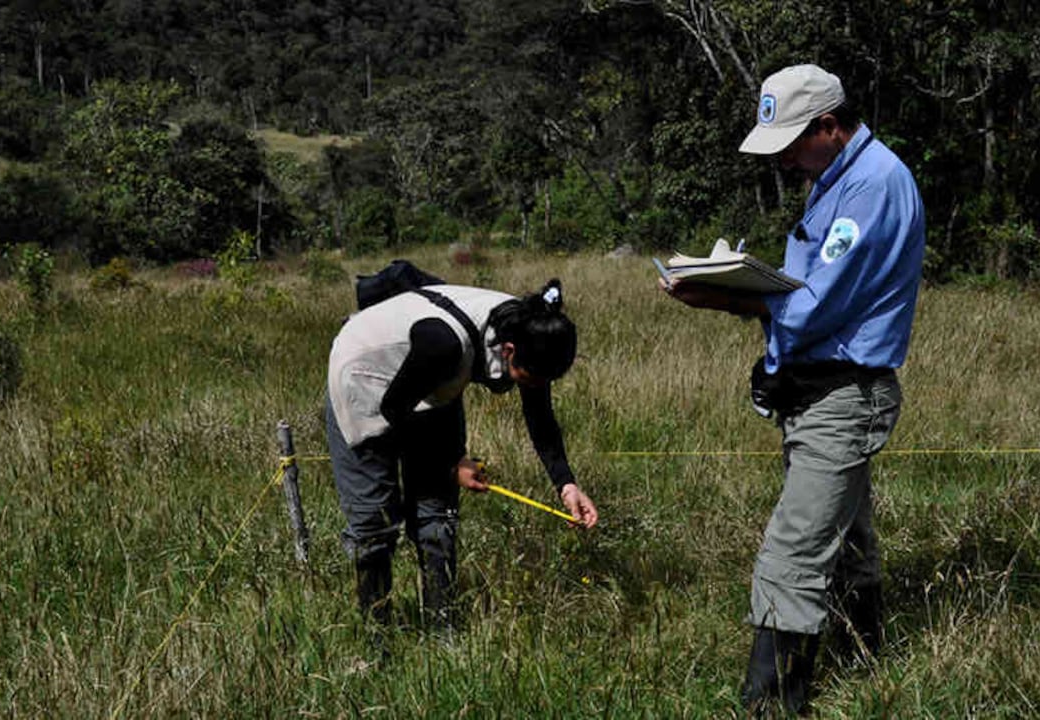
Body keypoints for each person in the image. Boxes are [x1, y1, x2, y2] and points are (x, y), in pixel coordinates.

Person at [661, 64, 925, 714]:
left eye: (790, 146)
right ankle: (865, 657)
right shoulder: (832, 179)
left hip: (844, 396)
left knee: (793, 551)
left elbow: (812, 308)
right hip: (815, 392)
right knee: (847, 537)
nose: (782, 162)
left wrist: (720, 298)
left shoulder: (871, 188)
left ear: (829, 127)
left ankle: (772, 703)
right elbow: (809, 285)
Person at [325, 277, 599, 641]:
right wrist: (453, 460)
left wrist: (567, 485)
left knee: (437, 514)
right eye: (528, 378)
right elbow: (394, 409)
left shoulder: (534, 331)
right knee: (374, 523)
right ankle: (377, 638)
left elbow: (541, 419)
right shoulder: (446, 345)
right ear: (510, 350)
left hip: (431, 380)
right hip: (366, 378)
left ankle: (443, 630)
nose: (532, 386)